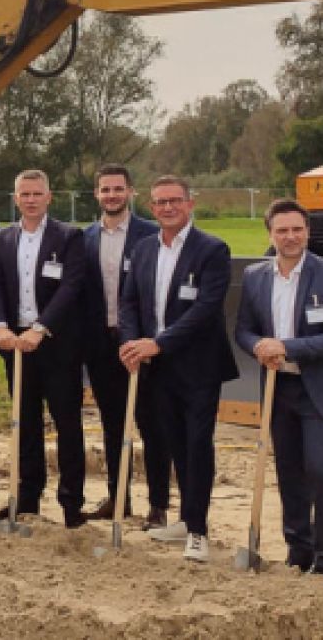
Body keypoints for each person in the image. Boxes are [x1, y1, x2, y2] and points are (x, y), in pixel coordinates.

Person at [234, 199, 323, 576]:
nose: (290, 237)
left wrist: (286, 347)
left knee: (321, 471)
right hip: (279, 389)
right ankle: (299, 552)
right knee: (289, 472)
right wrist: (258, 347)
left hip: (322, 390)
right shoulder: (255, 276)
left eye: (297, 229)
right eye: (282, 230)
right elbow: (244, 329)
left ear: (308, 232)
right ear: (270, 235)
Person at [118, 175, 238, 563]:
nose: (167, 208)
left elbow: (205, 309)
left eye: (174, 201)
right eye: (159, 202)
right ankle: (186, 520)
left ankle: (198, 531)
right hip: (156, 368)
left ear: (190, 203)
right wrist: (132, 342)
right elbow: (128, 302)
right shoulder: (143, 249)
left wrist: (160, 342)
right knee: (172, 443)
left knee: (197, 444)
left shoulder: (212, 249)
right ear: (151, 207)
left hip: (198, 367)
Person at [0, 169, 85, 526]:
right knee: (24, 423)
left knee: (67, 423)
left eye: (36, 194)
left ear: (49, 197)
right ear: (15, 199)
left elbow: (71, 287)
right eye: (24, 194)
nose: (30, 200)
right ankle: (27, 497)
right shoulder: (1, 238)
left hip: (56, 345)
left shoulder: (69, 237)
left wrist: (41, 328)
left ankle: (71, 502)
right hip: (16, 346)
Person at [79, 164, 170, 528]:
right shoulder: (85, 238)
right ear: (96, 194)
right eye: (105, 189)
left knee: (152, 425)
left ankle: (158, 504)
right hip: (101, 344)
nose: (112, 195)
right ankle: (118, 498)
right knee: (113, 424)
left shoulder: (151, 235)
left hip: (142, 344)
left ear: (131, 192)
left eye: (118, 189)